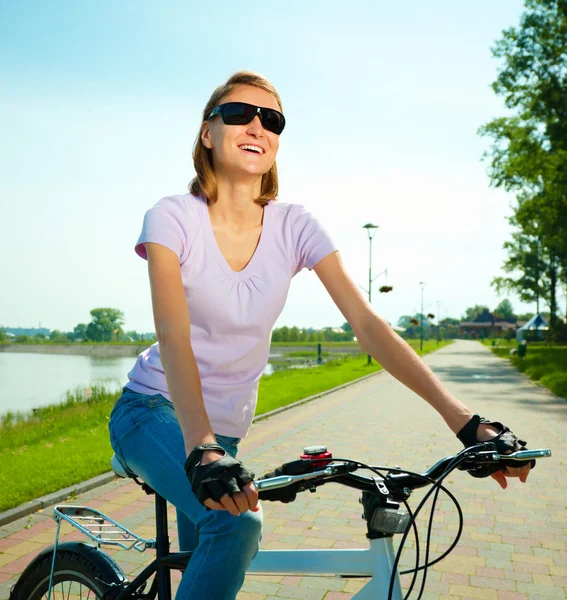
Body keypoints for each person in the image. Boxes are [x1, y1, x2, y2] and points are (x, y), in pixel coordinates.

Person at [108, 70, 534, 600]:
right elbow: (172, 335)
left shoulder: (295, 224)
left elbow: (368, 325)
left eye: (272, 119)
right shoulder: (172, 216)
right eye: (239, 113)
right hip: (155, 411)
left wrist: (466, 423)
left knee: (215, 558)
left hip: (224, 438)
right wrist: (201, 446)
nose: (257, 125)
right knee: (238, 528)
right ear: (207, 133)